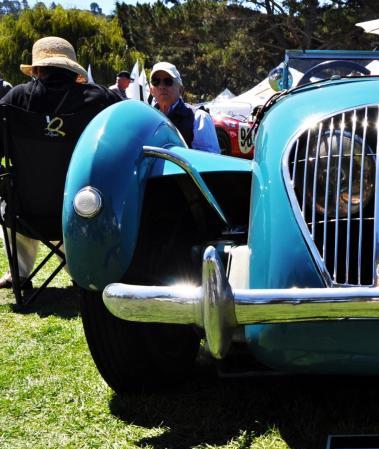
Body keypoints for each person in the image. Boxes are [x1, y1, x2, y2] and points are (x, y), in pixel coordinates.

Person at [0, 36, 121, 289]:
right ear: (72, 69)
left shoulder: (15, 100)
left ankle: (19, 274)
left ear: (36, 69)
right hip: (83, 210)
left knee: (7, 197)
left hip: (24, 213)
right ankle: (82, 270)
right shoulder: (99, 100)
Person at [149, 62, 220, 153]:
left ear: (180, 89)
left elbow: (209, 162)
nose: (161, 86)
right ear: (151, 90)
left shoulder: (199, 118)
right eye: (156, 81)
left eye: (168, 81)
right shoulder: (147, 119)